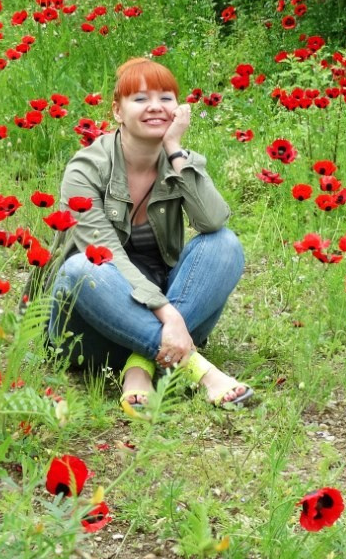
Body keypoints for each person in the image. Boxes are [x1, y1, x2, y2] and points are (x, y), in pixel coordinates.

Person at [45, 57, 252, 418]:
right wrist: (169, 315)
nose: (155, 106)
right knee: (83, 267)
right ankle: (198, 369)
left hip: (162, 308)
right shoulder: (85, 168)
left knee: (225, 245)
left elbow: (213, 219)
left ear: (179, 109)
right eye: (140, 99)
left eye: (166, 97)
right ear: (117, 111)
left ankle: (139, 364)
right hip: (86, 325)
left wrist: (175, 151)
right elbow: (104, 253)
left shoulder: (181, 160)